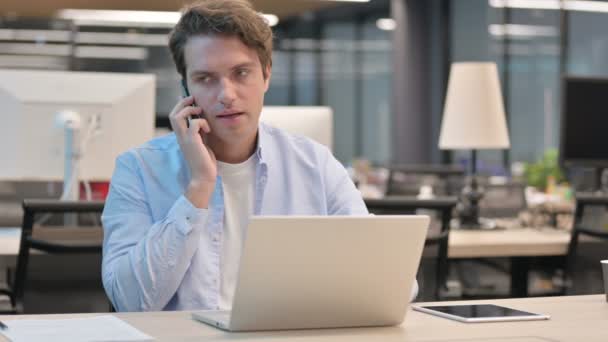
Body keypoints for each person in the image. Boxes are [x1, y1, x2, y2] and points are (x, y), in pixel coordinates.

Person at [101, 0, 372, 312]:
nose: (227, 94)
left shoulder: (315, 164)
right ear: (185, 87)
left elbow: (386, 279)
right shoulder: (138, 169)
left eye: (241, 73)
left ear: (266, 75)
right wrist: (199, 186)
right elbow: (130, 302)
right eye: (205, 78)